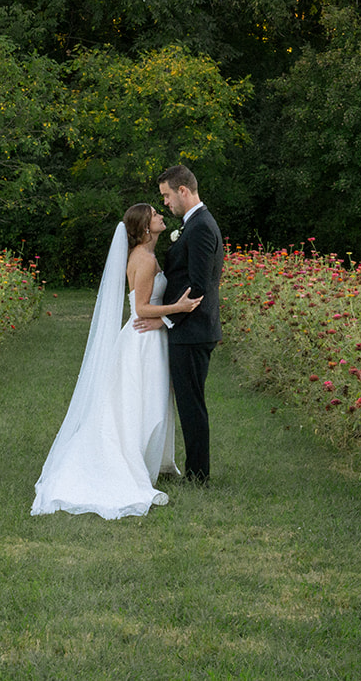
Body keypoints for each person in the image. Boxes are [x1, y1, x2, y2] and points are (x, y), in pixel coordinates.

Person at [31, 203, 202, 519]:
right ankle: (133, 462)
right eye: (154, 214)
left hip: (145, 339)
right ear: (145, 227)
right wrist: (177, 307)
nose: (161, 215)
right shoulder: (146, 260)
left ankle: (149, 458)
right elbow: (141, 309)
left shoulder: (144, 257)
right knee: (145, 402)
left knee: (140, 402)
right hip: (144, 341)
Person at [133, 164, 222, 484]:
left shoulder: (199, 227)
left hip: (193, 331)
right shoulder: (195, 223)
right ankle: (193, 470)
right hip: (191, 329)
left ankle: (199, 476)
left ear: (183, 191)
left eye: (167, 195)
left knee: (191, 405)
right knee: (187, 402)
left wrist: (165, 318)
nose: (166, 203)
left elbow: (199, 286)